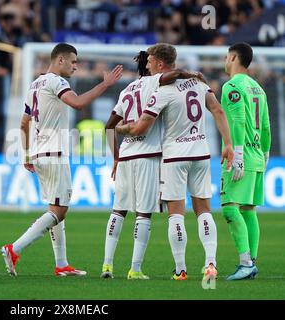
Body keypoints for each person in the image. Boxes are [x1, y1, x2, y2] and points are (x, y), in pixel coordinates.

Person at [0, 43, 123, 277]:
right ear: (60, 61)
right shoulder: (57, 82)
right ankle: (14, 249)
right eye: (73, 62)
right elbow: (77, 103)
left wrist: (26, 153)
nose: (75, 67)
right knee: (60, 210)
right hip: (54, 153)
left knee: (54, 208)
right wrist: (105, 85)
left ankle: (62, 264)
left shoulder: (34, 85)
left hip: (38, 152)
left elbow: (24, 123)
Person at [116, 43, 233, 286]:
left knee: (175, 215)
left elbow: (141, 128)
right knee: (204, 210)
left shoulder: (163, 91)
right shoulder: (199, 83)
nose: (146, 65)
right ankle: (210, 263)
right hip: (201, 153)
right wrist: (228, 144)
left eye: (149, 61)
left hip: (174, 157)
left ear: (160, 63)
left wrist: (121, 128)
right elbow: (218, 111)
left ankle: (181, 269)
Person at [101, 50, 207, 280]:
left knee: (117, 210)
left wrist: (116, 157)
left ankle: (107, 265)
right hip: (149, 155)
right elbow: (173, 74)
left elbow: (108, 126)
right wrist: (192, 74)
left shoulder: (126, 90)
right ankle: (135, 269)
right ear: (149, 66)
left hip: (127, 155)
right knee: (143, 214)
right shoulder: (156, 82)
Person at [220, 42, 271, 280]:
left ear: (232, 57)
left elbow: (238, 121)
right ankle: (252, 262)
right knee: (249, 209)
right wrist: (266, 153)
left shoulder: (231, 86)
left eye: (226, 57)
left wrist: (237, 156)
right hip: (257, 155)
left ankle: (245, 263)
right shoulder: (257, 88)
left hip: (239, 156)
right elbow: (267, 125)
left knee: (230, 208)